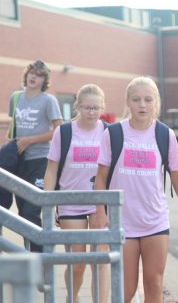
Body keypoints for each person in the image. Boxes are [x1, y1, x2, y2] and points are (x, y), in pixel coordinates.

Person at [94, 76, 178, 303]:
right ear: (128, 102)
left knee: (154, 284)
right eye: (136, 99)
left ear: (156, 102)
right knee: (126, 290)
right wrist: (100, 211)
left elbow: (177, 177)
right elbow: (100, 178)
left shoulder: (164, 134)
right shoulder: (114, 134)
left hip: (155, 221)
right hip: (123, 222)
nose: (142, 105)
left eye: (148, 100)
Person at [43, 84, 110, 303]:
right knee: (77, 262)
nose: (92, 112)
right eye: (87, 107)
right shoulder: (63, 132)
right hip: (70, 203)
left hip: (100, 203)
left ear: (102, 108)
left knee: (100, 261)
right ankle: (72, 299)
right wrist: (49, 201)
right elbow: (51, 171)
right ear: (77, 107)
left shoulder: (109, 131)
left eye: (96, 108)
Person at [5, 60, 63, 252]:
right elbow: (14, 128)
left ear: (44, 79)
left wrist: (30, 140)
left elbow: (58, 131)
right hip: (19, 161)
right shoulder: (16, 97)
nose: (33, 76)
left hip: (40, 160)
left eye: (38, 74)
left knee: (32, 211)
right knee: (23, 213)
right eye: (31, 72)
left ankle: (41, 258)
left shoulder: (48, 101)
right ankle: (30, 256)